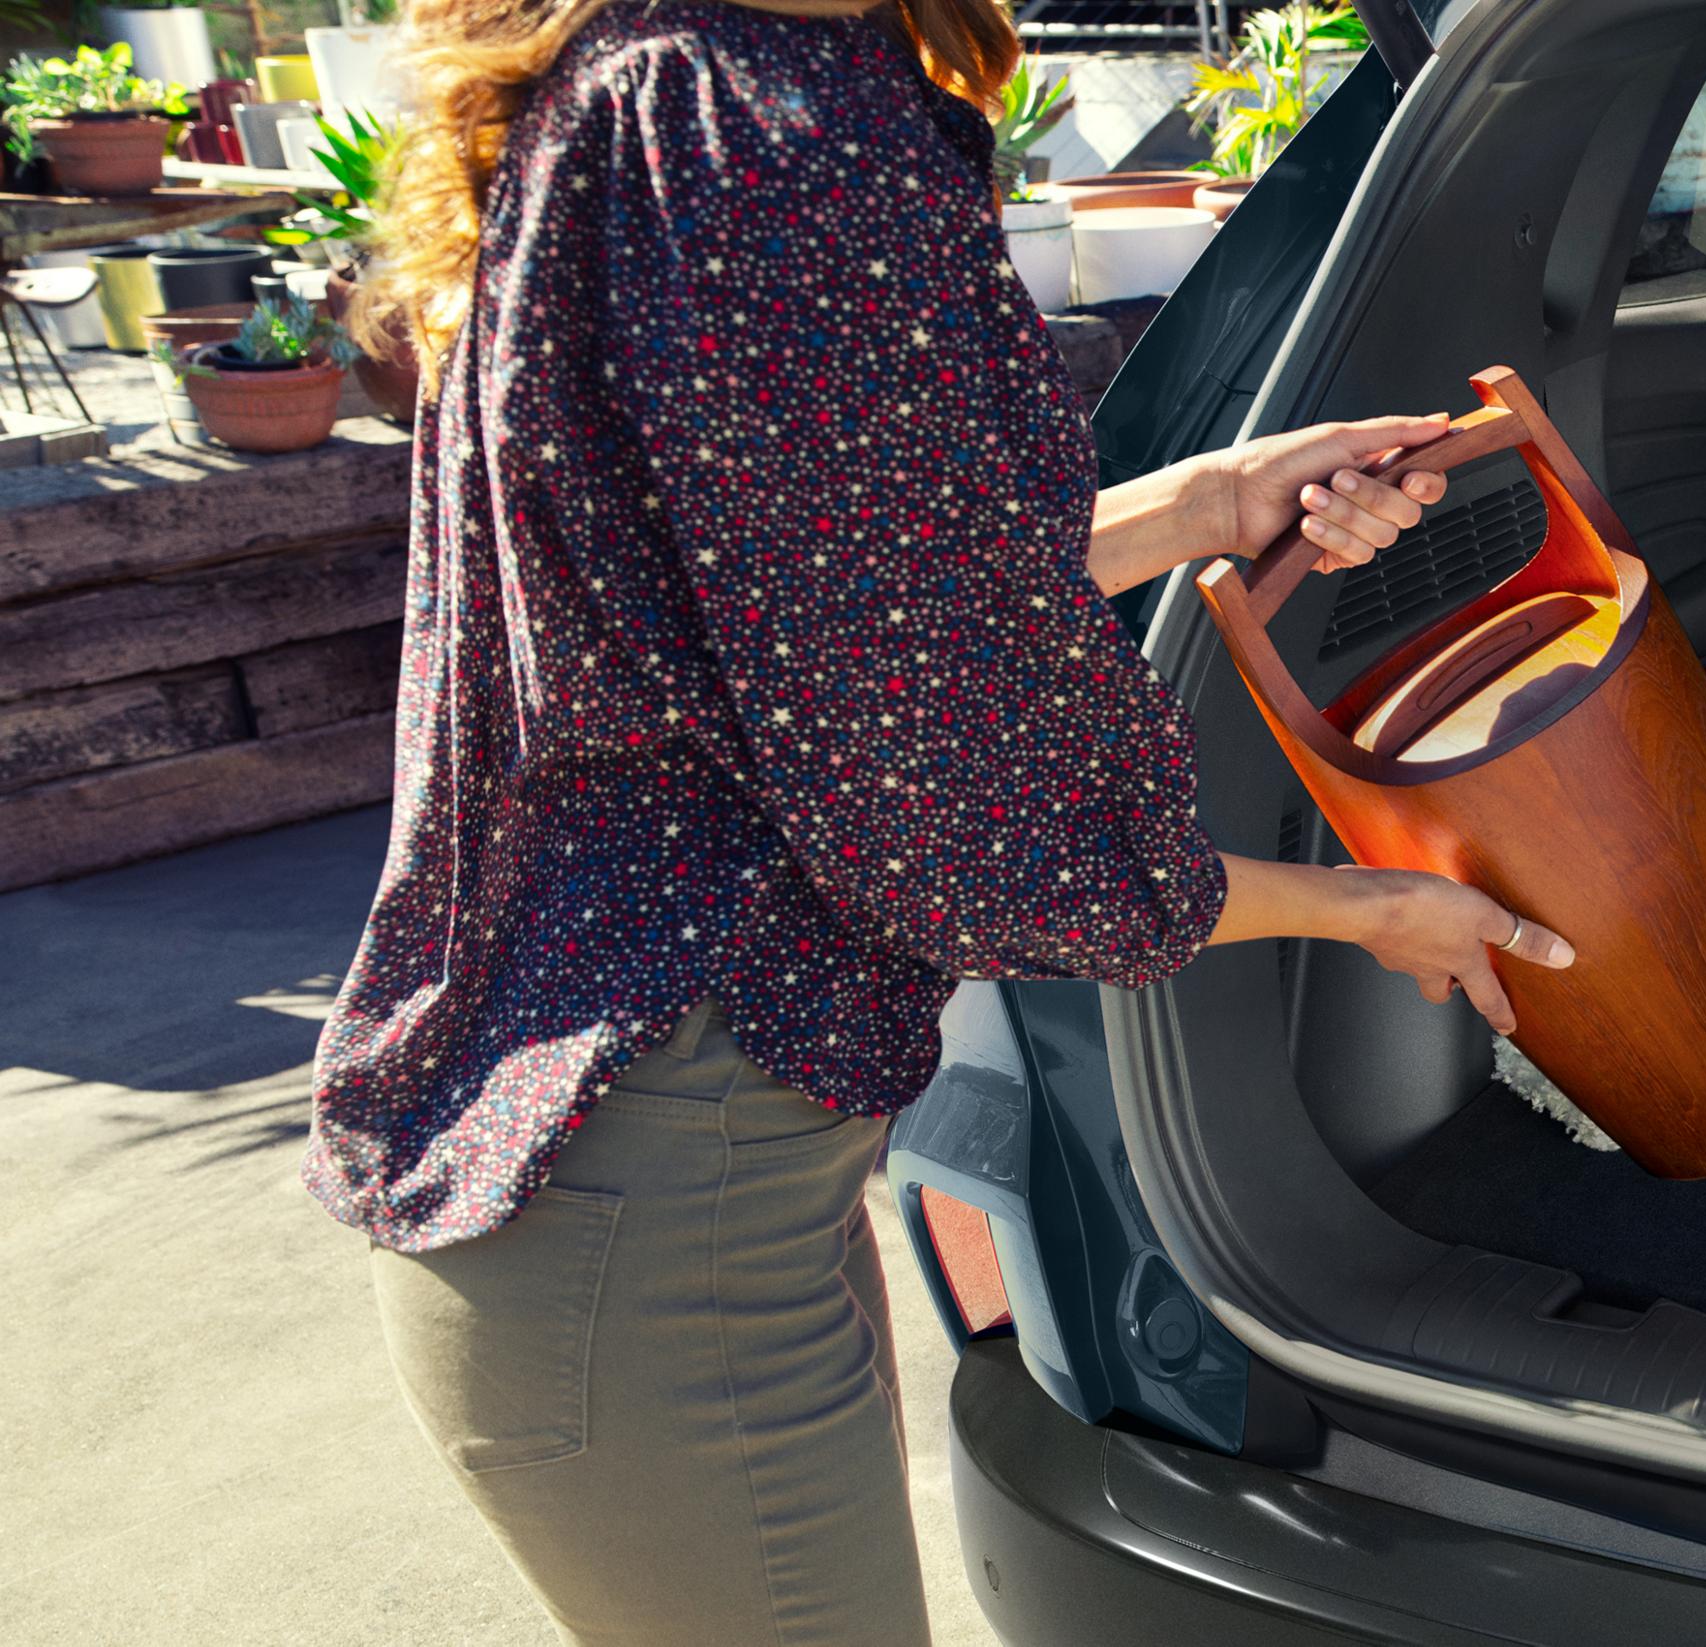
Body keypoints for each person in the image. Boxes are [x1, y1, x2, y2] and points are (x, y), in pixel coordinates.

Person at [305, 0, 1565, 1638]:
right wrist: (1371, 908)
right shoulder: (773, 136)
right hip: (660, 1191)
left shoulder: (651, 89)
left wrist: (1203, 505)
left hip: (634, 1176)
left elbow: (841, 617)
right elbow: (960, 807)